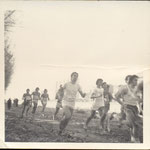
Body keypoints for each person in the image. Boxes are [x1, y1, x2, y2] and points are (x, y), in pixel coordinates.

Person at [115, 75, 143, 143]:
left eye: (137, 80)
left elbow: (139, 100)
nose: (137, 82)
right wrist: (122, 104)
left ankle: (133, 137)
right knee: (134, 123)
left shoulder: (137, 89)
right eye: (135, 80)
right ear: (131, 80)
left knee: (137, 123)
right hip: (127, 107)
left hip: (135, 108)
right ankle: (135, 139)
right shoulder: (125, 88)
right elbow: (116, 96)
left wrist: (140, 108)